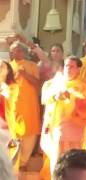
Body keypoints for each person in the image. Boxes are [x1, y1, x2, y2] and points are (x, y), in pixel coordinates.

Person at [41, 56, 86, 174]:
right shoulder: (53, 83)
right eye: (66, 66)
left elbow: (85, 101)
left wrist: (71, 96)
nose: (68, 69)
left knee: (75, 157)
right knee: (58, 157)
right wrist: (55, 96)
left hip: (75, 126)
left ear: (78, 69)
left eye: (72, 66)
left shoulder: (83, 85)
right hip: (58, 126)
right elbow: (45, 98)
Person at [9, 41, 41, 170]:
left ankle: (23, 163)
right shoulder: (7, 66)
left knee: (29, 134)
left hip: (29, 106)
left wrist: (25, 75)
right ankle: (12, 163)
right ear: (11, 53)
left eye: (20, 50)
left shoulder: (32, 65)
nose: (18, 52)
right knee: (12, 136)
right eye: (15, 50)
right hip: (12, 107)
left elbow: (37, 83)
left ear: (24, 52)